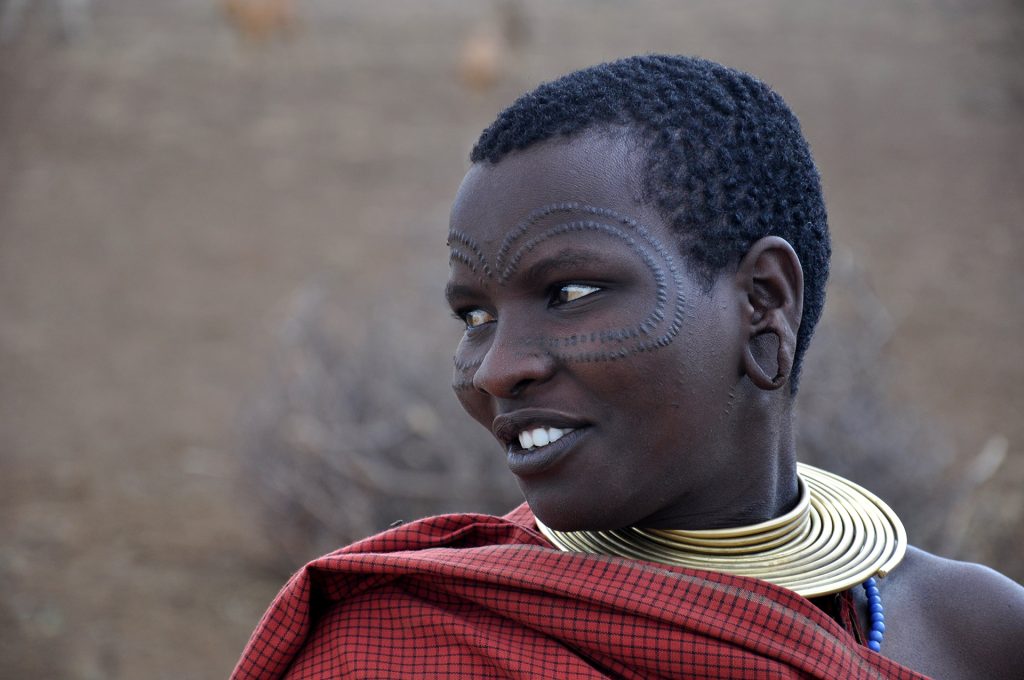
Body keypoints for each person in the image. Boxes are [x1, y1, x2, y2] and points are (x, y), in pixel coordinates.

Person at [232, 55, 1024, 679]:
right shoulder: (406, 647)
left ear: (763, 303)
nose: (495, 370)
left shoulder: (975, 635)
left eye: (570, 292)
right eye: (474, 316)